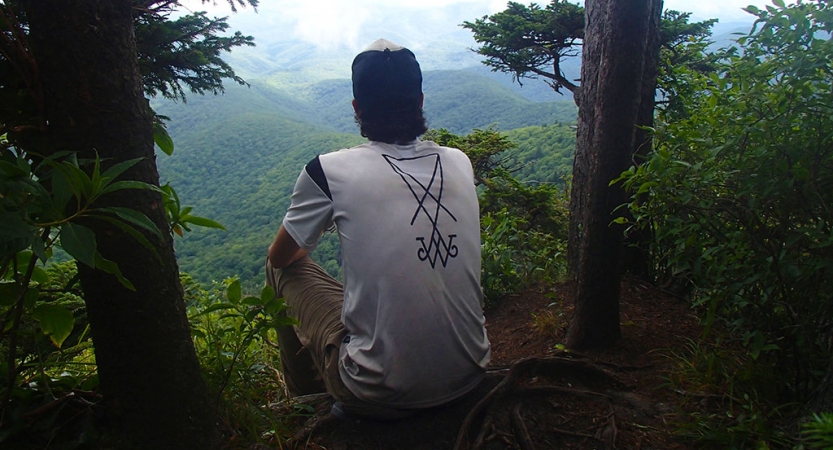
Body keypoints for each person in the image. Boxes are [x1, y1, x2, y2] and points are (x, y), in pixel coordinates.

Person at [266, 38, 490, 420]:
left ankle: (304, 402)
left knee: (276, 269)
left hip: (375, 390)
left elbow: (282, 255)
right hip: (471, 374)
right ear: (420, 101)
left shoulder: (326, 171)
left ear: (356, 108)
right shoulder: (460, 162)